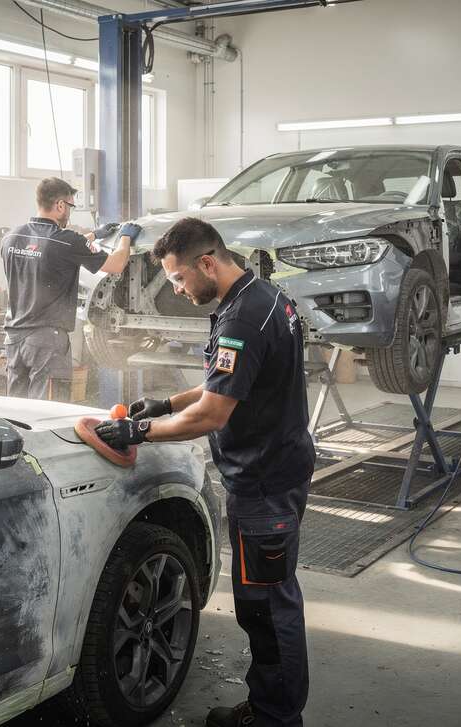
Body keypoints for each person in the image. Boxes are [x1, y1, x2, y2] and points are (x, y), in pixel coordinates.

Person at [94, 218, 314, 727]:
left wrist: (139, 433)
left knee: (267, 607)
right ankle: (269, 707)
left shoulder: (242, 318)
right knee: (266, 600)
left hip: (263, 483)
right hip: (277, 467)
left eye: (177, 279)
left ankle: (276, 718)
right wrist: (165, 402)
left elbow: (213, 414)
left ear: (207, 263)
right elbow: (225, 382)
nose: (176, 288)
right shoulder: (263, 297)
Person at [1, 177, 140, 400]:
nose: (69, 213)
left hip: (13, 339)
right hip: (46, 341)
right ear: (60, 205)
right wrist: (125, 237)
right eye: (71, 207)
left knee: (17, 409)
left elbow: (48, 251)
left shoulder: (12, 237)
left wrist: (94, 235)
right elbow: (116, 265)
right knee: (48, 411)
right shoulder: (67, 241)